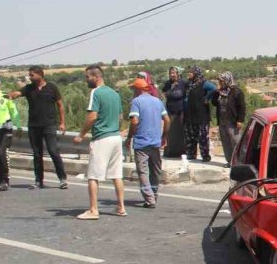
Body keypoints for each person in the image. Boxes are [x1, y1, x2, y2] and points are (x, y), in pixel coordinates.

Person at [73, 65, 125, 220]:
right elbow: (121, 116)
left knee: (93, 175)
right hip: (116, 137)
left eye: (87, 77)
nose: (86, 80)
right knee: (116, 174)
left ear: (96, 77)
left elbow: (92, 116)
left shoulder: (96, 92)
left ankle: (93, 210)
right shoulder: (114, 94)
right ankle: (121, 207)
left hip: (102, 138)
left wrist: (81, 135)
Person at [10, 65, 68, 189]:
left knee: (53, 151)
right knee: (37, 154)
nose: (30, 77)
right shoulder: (29, 88)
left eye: (32, 75)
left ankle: (62, 179)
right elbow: (18, 93)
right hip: (34, 126)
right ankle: (38, 181)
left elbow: (60, 105)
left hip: (49, 125)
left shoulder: (52, 87)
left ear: (40, 75)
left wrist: (62, 122)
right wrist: (11, 95)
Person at [127, 77, 169, 208]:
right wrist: (164, 136)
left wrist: (129, 137)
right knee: (156, 171)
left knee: (143, 171)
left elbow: (134, 121)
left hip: (141, 143)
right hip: (156, 142)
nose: (133, 91)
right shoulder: (157, 101)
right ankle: (154, 194)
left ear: (138, 89)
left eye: (134, 89)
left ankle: (149, 199)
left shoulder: (136, 102)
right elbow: (167, 120)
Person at [212, 71, 246, 166]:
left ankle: (239, 162)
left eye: (221, 81)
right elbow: (214, 103)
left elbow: (242, 107)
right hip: (222, 120)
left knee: (236, 142)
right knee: (226, 142)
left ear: (227, 80)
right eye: (219, 81)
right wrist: (216, 92)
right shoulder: (220, 92)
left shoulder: (236, 91)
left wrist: (240, 120)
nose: (220, 83)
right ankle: (230, 161)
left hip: (233, 121)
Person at [183, 66, 216, 162]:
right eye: (188, 72)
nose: (189, 74)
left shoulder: (203, 83)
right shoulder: (189, 84)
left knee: (202, 137)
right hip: (190, 115)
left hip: (201, 115)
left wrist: (207, 98)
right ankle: (191, 154)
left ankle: (205, 156)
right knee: (190, 136)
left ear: (196, 74)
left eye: (191, 72)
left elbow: (214, 89)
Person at [161, 66, 187, 158]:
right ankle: (171, 152)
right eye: (170, 73)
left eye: (173, 73)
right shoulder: (167, 84)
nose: (172, 74)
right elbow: (163, 96)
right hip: (170, 112)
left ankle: (182, 153)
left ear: (178, 73)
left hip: (181, 112)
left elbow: (187, 96)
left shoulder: (183, 83)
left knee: (180, 133)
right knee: (170, 133)